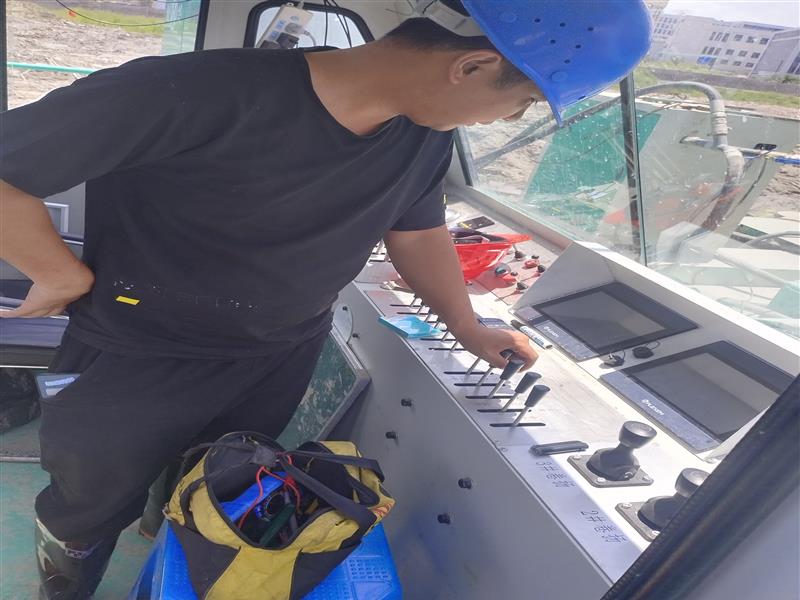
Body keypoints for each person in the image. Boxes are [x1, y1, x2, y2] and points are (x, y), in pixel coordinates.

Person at [0, 0, 651, 597]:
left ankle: (165, 532)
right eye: (523, 102)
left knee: (219, 480)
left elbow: (418, 231)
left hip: (278, 356)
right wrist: (59, 275)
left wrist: (466, 324)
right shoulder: (187, 91)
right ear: (472, 66)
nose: (508, 120)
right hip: (136, 352)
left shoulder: (424, 131)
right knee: (86, 503)